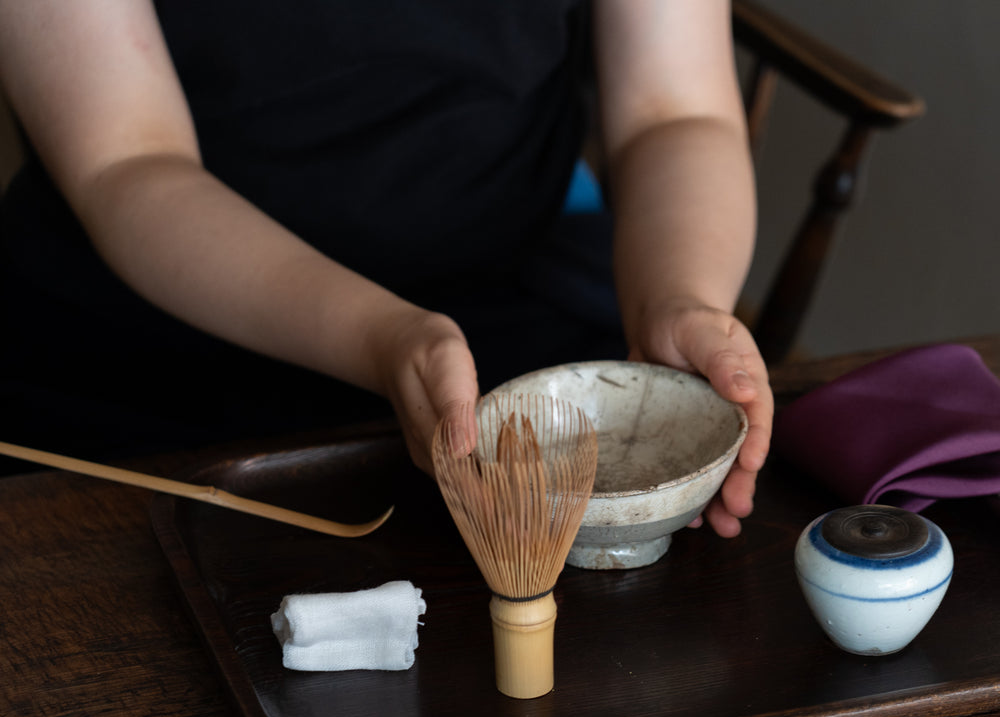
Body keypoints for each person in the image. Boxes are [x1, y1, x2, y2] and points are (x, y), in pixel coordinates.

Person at [0, 0, 771, 537]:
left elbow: (675, 111)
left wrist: (680, 296)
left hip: (520, 332)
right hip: (147, 362)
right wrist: (381, 336)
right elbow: (128, 164)